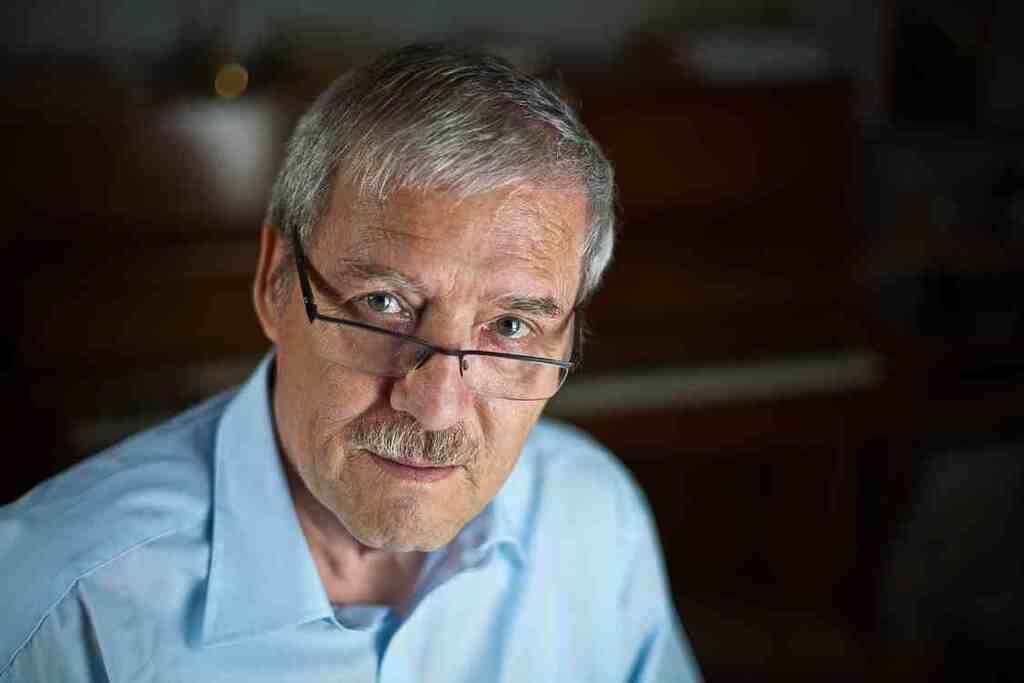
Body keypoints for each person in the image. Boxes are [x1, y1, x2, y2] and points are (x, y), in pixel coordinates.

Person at [1, 44, 700, 681]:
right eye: (384, 304)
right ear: (275, 282)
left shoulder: (593, 515)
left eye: (512, 326)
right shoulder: (52, 609)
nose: (437, 406)